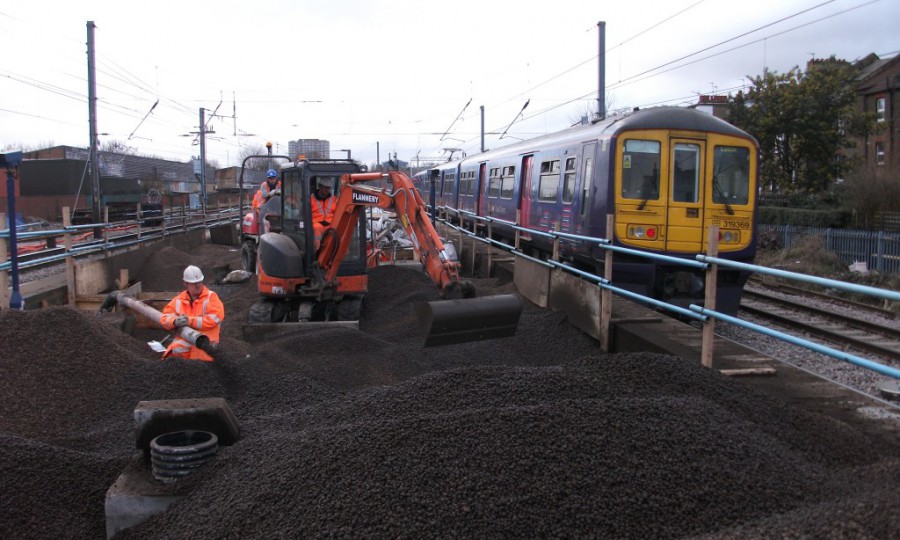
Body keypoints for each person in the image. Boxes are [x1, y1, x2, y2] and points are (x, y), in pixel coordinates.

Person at [159, 265, 225, 361]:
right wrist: (174, 321)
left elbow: (214, 319)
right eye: (194, 283)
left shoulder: (211, 297)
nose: (198, 285)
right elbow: (165, 317)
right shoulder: (179, 299)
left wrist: (189, 321)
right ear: (186, 284)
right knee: (176, 351)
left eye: (199, 282)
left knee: (204, 366)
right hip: (186, 340)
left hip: (206, 342)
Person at [311, 177, 337, 248]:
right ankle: (317, 250)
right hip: (317, 223)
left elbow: (338, 212)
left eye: (328, 188)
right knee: (316, 228)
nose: (327, 190)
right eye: (325, 187)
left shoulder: (334, 199)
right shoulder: (311, 199)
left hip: (330, 224)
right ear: (320, 186)